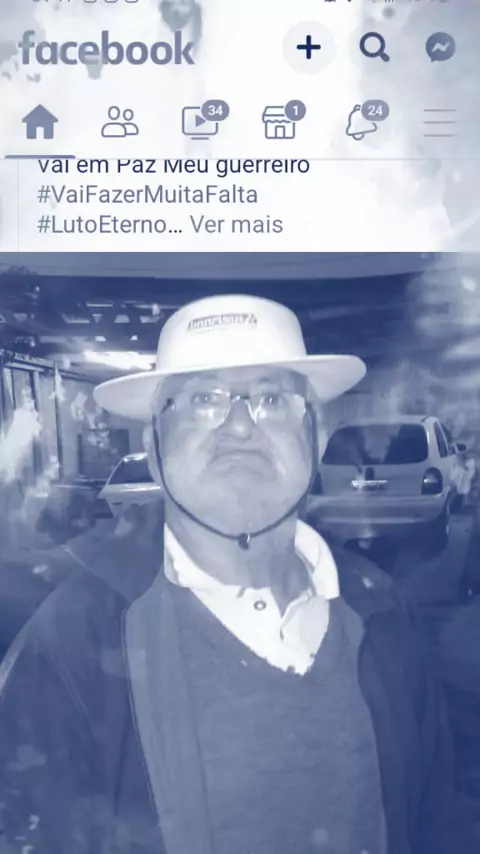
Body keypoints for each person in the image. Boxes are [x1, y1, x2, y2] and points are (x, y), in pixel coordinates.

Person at [0, 294, 474, 854]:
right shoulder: (72, 642)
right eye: (204, 400)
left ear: (316, 437)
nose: (241, 427)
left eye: (272, 399)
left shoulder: (384, 613)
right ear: (154, 447)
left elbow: (438, 821)